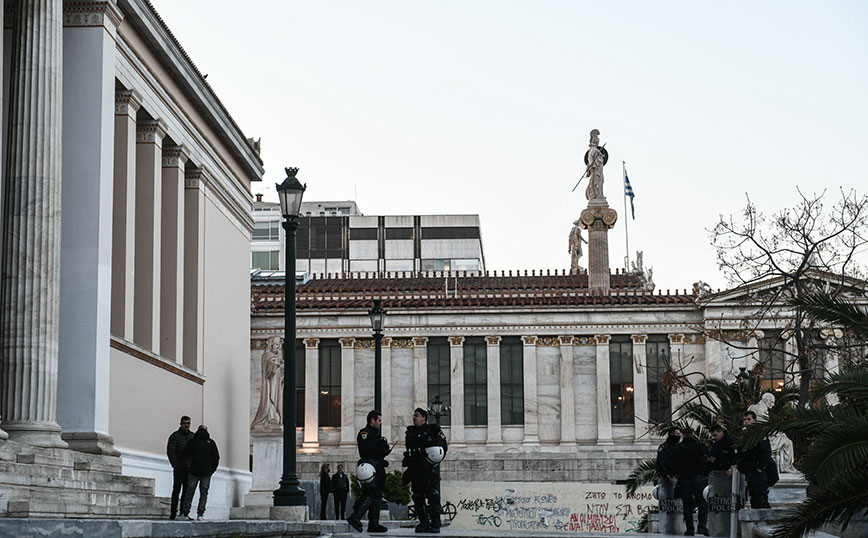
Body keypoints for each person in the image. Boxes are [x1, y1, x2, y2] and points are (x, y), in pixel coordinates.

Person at [403, 408, 448, 533]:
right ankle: (423, 522)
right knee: (417, 497)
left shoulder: (433, 430)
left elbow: (442, 445)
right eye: (414, 415)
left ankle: (435, 523)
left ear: (424, 418)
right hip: (415, 468)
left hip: (428, 468)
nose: (414, 418)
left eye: (416, 416)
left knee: (432, 495)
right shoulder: (411, 431)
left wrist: (427, 452)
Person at [347, 410, 391, 533]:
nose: (380, 423)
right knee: (371, 494)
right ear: (372, 420)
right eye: (379, 420)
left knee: (377, 495)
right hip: (369, 468)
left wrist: (383, 452)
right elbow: (367, 450)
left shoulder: (376, 435)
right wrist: (379, 446)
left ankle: (374, 523)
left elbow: (377, 452)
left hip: (377, 467)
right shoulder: (364, 433)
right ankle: (355, 517)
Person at [673, 427, 709, 536]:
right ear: (692, 434)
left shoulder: (678, 448)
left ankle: (690, 529)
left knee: (687, 504)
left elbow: (674, 463)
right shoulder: (699, 446)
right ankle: (702, 527)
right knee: (702, 503)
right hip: (697, 477)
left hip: (684, 479)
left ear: (683, 435)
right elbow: (705, 460)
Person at [180, 425, 220, 520]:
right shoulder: (211, 443)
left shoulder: (193, 442)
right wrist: (212, 470)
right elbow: (216, 458)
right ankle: (200, 514)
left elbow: (184, 455)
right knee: (204, 492)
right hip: (206, 472)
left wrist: (188, 467)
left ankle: (185, 513)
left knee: (189, 491)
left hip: (193, 471)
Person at [738, 411, 772, 508]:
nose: (746, 422)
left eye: (749, 419)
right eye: (744, 420)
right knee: (754, 498)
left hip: (758, 472)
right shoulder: (744, 436)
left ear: (754, 420)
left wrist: (760, 467)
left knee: (761, 497)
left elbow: (766, 453)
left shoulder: (760, 435)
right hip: (750, 471)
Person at [166, 415, 193, 520]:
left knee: (186, 492)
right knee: (176, 490)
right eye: (185, 423)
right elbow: (171, 452)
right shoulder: (175, 436)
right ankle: (173, 513)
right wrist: (176, 465)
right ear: (181, 424)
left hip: (189, 469)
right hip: (179, 469)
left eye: (188, 423)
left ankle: (183, 513)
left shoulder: (192, 436)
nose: (186, 425)